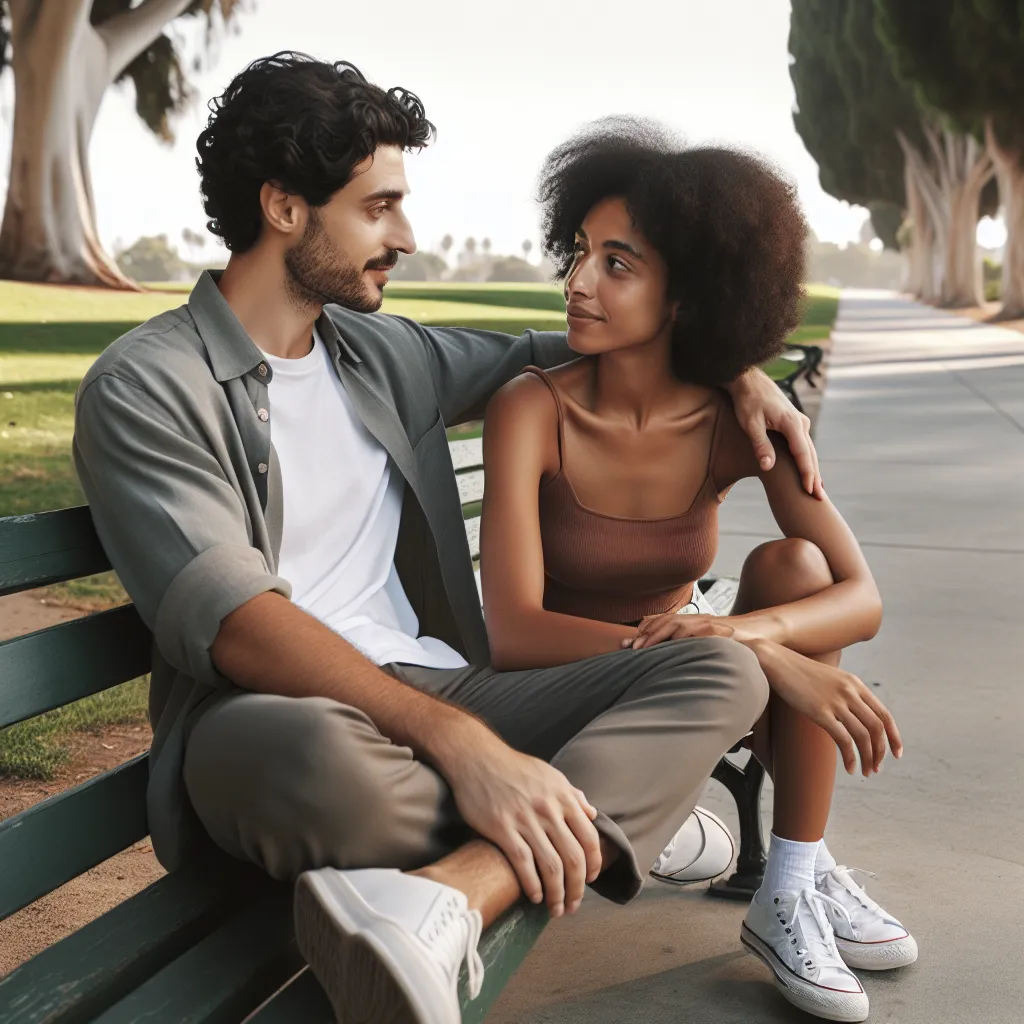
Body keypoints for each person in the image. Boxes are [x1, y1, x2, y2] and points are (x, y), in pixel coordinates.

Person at [72, 55, 825, 1024]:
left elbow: (592, 352)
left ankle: (460, 886)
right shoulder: (147, 385)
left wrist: (737, 370)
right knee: (314, 764)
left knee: (721, 669)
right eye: (378, 207)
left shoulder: (382, 351)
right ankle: (612, 807)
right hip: (284, 716)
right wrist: (461, 745)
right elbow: (238, 623)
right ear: (285, 206)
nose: (406, 236)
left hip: (452, 688)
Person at [479, 119, 915, 1023]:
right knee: (779, 640)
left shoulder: (734, 420)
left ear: (687, 294)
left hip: (698, 667)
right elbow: (515, 633)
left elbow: (857, 595)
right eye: (580, 252)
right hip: (567, 683)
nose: (578, 282)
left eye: (617, 264)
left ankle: (790, 882)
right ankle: (801, 868)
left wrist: (738, 634)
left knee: (794, 565)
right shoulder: (532, 410)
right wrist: (752, 655)